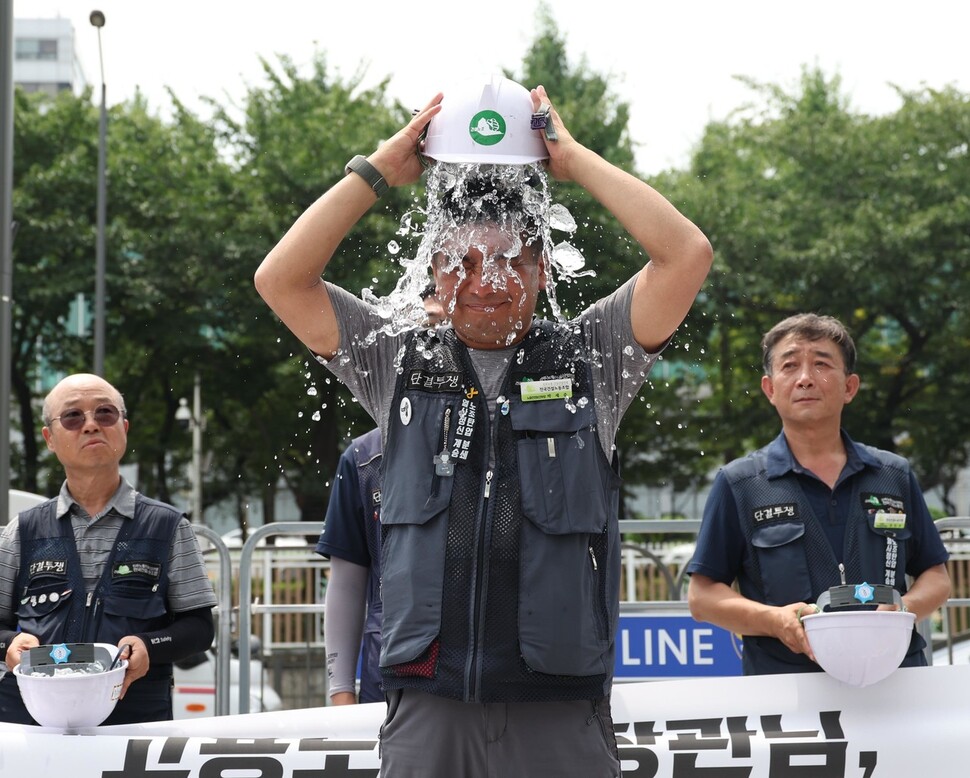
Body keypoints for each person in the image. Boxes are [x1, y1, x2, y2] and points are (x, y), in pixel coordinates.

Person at [255, 77, 712, 776]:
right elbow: (281, 279)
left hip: (559, 704)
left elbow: (686, 255)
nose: (485, 281)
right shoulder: (398, 363)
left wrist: (575, 160)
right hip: (429, 706)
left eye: (508, 262)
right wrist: (378, 170)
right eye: (462, 263)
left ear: (542, 272)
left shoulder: (594, 358)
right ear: (433, 275)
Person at [687, 313, 951, 675]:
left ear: (850, 387)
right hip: (789, 695)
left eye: (822, 364)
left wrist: (903, 610)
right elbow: (702, 598)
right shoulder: (740, 483)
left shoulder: (893, 475)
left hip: (896, 682)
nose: (806, 379)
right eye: (790, 365)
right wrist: (775, 620)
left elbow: (936, 576)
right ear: (770, 388)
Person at [0, 373, 218, 725]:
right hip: (28, 729)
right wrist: (8, 645)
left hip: (131, 727)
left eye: (105, 413)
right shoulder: (22, 532)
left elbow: (199, 627)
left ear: (124, 427)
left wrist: (151, 645)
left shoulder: (167, 528)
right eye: (73, 417)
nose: (90, 425)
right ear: (49, 438)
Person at [317, 289, 446, 706]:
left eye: (444, 331)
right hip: (390, 678)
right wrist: (340, 690)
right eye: (423, 334)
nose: (434, 344)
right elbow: (347, 581)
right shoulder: (364, 458)